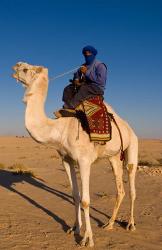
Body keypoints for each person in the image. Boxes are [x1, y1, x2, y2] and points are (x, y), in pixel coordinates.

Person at [62, 45, 107, 110]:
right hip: (85, 85)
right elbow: (77, 74)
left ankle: (71, 106)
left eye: (89, 53)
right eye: (85, 53)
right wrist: (76, 80)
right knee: (68, 88)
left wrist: (86, 73)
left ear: (93, 54)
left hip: (97, 87)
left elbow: (101, 81)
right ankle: (67, 105)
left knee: (84, 89)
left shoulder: (100, 65)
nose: (87, 54)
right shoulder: (83, 66)